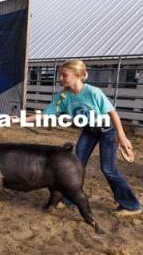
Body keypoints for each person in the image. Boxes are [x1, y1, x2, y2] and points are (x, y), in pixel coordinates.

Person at [13, 59, 141, 216]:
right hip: (89, 130)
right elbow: (45, 114)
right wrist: (21, 120)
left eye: (64, 75)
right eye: (60, 75)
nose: (60, 78)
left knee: (108, 169)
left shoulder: (93, 92)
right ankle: (70, 199)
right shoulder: (62, 96)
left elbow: (112, 113)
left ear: (79, 76)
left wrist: (122, 136)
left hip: (107, 131)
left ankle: (131, 205)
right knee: (76, 165)